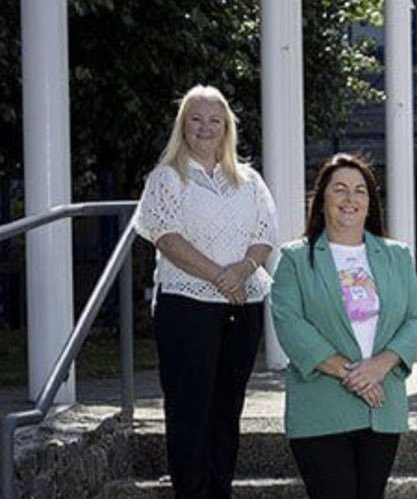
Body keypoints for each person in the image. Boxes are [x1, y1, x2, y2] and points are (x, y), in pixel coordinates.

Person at [133, 85, 277, 498]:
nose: (205, 127)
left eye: (215, 120)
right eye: (196, 119)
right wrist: (219, 274)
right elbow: (165, 235)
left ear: (227, 127)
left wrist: (244, 269)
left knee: (226, 410)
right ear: (183, 126)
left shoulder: (249, 180)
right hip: (186, 308)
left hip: (242, 306)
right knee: (188, 412)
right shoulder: (167, 178)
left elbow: (265, 233)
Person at [269, 154, 417, 499]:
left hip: (382, 404)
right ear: (321, 199)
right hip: (321, 408)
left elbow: (416, 318)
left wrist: (379, 366)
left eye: (360, 191)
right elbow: (290, 325)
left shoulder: (397, 255)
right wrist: (353, 375)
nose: (349, 199)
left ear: (370, 203)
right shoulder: (296, 258)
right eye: (339, 189)